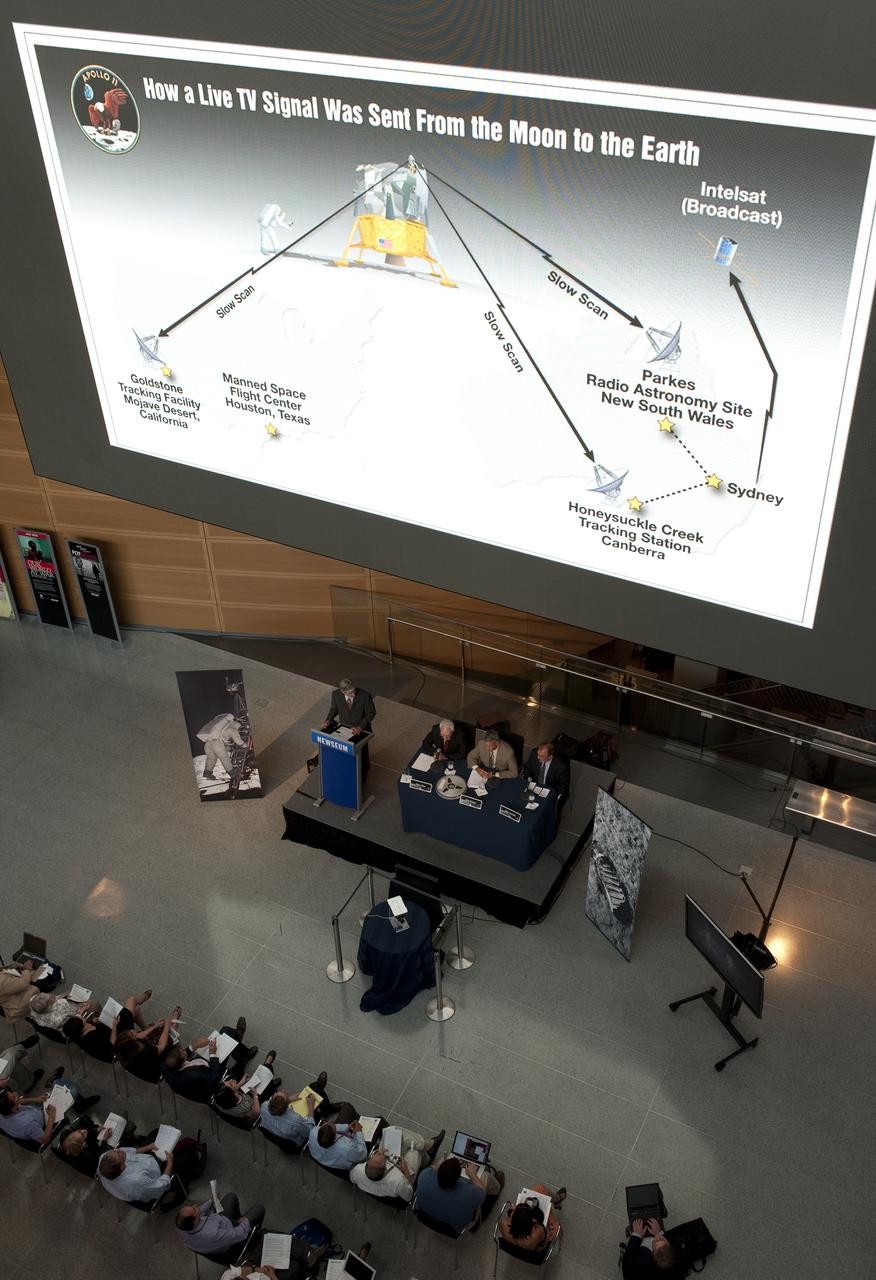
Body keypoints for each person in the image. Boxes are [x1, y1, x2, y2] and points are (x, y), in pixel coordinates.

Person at [163, 1018, 258, 1102]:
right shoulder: (196, 1075)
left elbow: (179, 1055)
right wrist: (212, 1053)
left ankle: (237, 1041)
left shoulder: (166, 1065)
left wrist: (194, 1046)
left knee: (226, 1031)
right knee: (228, 1036)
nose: (184, 1049)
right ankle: (241, 1053)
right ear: (183, 1059)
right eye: (184, 1051)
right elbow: (215, 1074)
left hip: (201, 1069)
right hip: (212, 1083)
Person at [0, 1074, 99, 1147]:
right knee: (70, 1089)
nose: (15, 1092)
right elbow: (45, 1139)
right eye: (14, 1096)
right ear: (13, 1109)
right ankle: (80, 1105)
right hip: (44, 1122)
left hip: (35, 1111)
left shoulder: (5, 1109)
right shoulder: (27, 1124)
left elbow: (18, 1102)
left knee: (58, 1088)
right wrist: (52, 1116)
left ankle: (54, 1082)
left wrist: (35, 1099)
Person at [351, 1127, 445, 1202]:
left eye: (376, 1154)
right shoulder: (398, 1182)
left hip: (389, 1171)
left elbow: (353, 1179)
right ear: (385, 1168)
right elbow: (409, 1195)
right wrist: (405, 1170)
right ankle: (427, 1150)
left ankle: (426, 1146)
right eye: (381, 1156)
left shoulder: (357, 1170)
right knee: (415, 1150)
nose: (377, 1153)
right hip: (404, 1174)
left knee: (391, 1130)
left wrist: (381, 1155)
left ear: (366, 1165)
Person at [416, 1156, 505, 1233]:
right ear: (459, 1178)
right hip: (452, 1229)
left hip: (424, 1217)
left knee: (442, 1158)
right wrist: (472, 1174)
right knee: (486, 1177)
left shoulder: (424, 1175)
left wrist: (447, 1165)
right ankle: (497, 1186)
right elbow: (481, 1192)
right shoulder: (470, 1194)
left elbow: (432, 1168)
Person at [176, 1193, 265, 1255]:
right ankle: (254, 1237)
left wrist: (210, 1201)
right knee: (259, 1209)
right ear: (195, 1221)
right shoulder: (213, 1234)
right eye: (194, 1209)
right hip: (229, 1240)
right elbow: (239, 1234)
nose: (195, 1206)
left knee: (231, 1196)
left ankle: (238, 1220)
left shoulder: (181, 1226)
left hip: (219, 1226)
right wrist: (245, 1221)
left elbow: (200, 1211)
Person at [259, 1070, 328, 1147]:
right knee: (316, 1089)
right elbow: (310, 1131)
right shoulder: (296, 1122)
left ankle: (327, 1103)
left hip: (278, 1136)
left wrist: (288, 1100)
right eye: (284, 1094)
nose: (283, 1090)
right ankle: (328, 1107)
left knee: (315, 1088)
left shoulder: (264, 1106)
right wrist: (311, 1107)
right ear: (286, 1107)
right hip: (296, 1143)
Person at [98, 1141, 175, 1203]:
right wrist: (170, 1163)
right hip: (156, 1171)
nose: (118, 1150)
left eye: (116, 1151)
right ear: (121, 1167)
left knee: (155, 1133)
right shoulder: (137, 1180)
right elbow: (162, 1186)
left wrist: (149, 1147)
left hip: (144, 1160)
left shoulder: (104, 1158)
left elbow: (129, 1151)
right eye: (118, 1154)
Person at [214, 1051, 280, 1121]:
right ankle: (269, 1075)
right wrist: (255, 1096)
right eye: (231, 1084)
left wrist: (241, 1082)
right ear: (232, 1095)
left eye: (226, 1081)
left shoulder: (220, 1100)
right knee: (265, 1078)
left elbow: (231, 1091)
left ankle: (270, 1078)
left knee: (261, 1078)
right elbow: (256, 1114)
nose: (231, 1080)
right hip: (255, 1103)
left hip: (244, 1096)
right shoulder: (243, 1107)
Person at [498, 1184, 566, 1251]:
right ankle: (558, 1199)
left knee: (539, 1190)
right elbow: (549, 1238)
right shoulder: (536, 1234)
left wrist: (515, 1210)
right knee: (539, 1188)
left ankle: (557, 1199)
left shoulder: (504, 1225)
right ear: (532, 1225)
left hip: (521, 1242)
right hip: (536, 1247)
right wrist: (554, 1224)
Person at [307, 1107, 368, 1172]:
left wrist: (347, 1127)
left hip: (322, 1160)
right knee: (347, 1107)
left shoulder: (314, 1132)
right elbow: (363, 1155)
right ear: (335, 1137)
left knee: (346, 1107)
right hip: (345, 1167)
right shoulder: (347, 1150)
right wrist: (359, 1132)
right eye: (333, 1125)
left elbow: (332, 1129)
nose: (331, 1120)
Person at [197, 713, 246, 782]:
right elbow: (237, 740)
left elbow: (224, 740)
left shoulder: (224, 728)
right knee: (224, 758)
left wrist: (229, 748)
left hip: (207, 743)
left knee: (211, 759)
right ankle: (233, 774)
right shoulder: (233, 729)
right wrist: (245, 745)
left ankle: (207, 773)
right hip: (217, 744)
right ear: (238, 724)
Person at [524, 741, 570, 807]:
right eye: (538, 754)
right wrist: (529, 778)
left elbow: (563, 788)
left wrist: (551, 796)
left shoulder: (561, 767)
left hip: (549, 790)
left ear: (550, 756)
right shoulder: (534, 753)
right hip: (534, 786)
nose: (538, 757)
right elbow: (527, 768)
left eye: (541, 756)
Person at [29, 989, 99, 1031]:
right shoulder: (62, 1007)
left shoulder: (33, 1001)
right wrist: (83, 1009)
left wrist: (62, 996)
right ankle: (97, 1020)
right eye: (52, 997)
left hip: (54, 1027)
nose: (52, 994)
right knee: (94, 1004)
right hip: (71, 1026)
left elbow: (53, 998)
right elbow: (76, 1017)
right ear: (49, 1006)